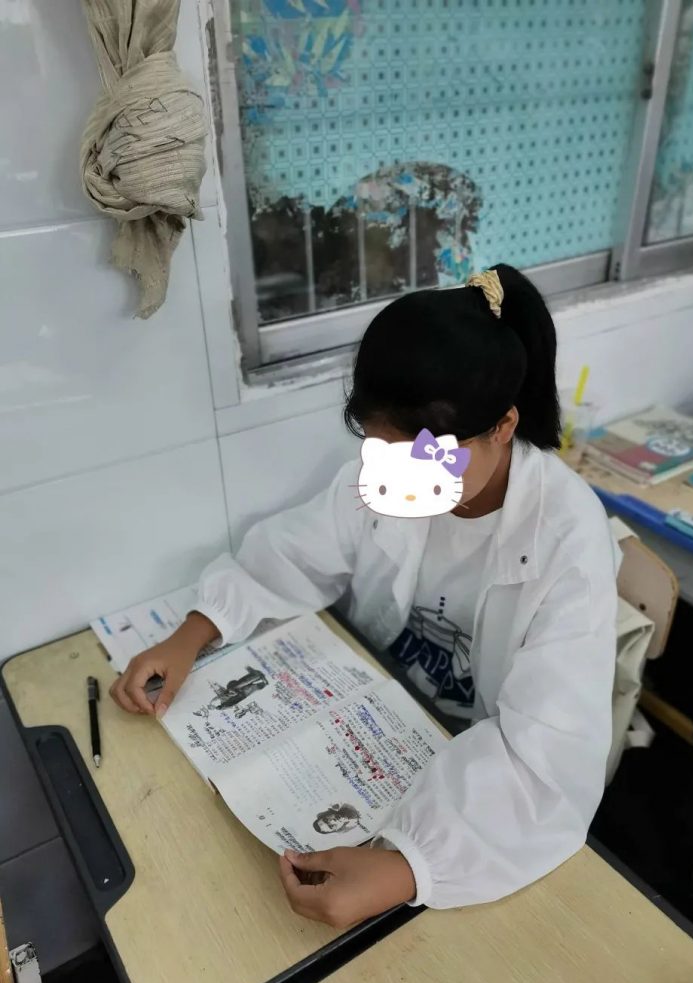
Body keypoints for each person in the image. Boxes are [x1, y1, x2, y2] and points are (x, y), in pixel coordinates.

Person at [110, 264, 618, 928]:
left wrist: (410, 867)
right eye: (380, 449)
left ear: (502, 426)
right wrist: (195, 631)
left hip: (472, 783)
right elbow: (294, 553)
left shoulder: (569, 543)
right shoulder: (391, 472)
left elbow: (546, 761)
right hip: (371, 717)